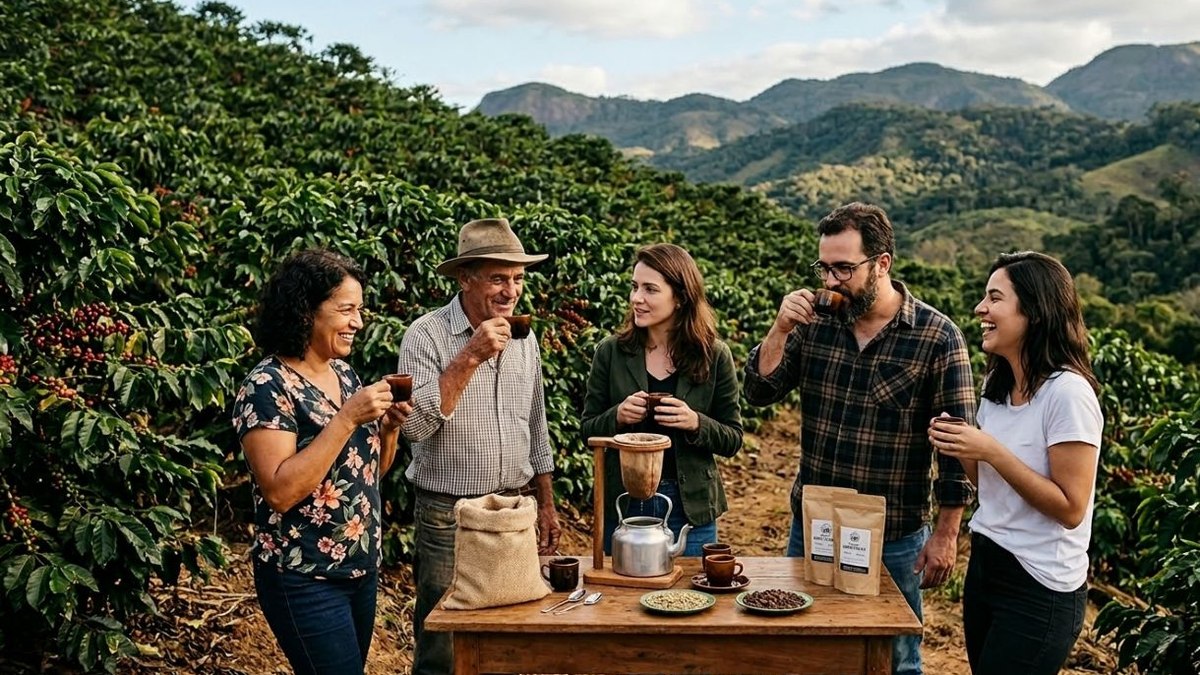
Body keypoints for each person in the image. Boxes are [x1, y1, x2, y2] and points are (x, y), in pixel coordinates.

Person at [743, 202, 976, 675]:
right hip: (813, 525)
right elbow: (759, 390)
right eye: (824, 268)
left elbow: (956, 448)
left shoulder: (936, 337)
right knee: (800, 648)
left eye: (844, 268)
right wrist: (780, 328)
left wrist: (946, 534)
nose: (831, 281)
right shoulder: (816, 326)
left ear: (882, 263)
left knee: (894, 658)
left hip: (892, 535)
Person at [232, 248, 412, 675]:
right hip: (303, 574)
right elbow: (279, 491)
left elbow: (366, 478)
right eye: (347, 309)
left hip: (359, 568)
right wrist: (348, 417)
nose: (358, 322)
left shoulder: (343, 374)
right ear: (305, 312)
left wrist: (388, 430)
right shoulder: (267, 385)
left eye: (360, 310)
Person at [398, 217, 561, 675]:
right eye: (497, 278)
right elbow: (415, 428)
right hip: (448, 514)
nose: (511, 291)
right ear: (465, 278)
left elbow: (536, 422)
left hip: (513, 510)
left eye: (517, 279)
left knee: (511, 630)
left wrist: (545, 503)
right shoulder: (425, 336)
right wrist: (469, 356)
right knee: (443, 644)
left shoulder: (524, 340)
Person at [929, 252, 1102, 675]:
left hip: (1039, 585)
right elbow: (990, 484)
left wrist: (989, 449)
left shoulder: (1068, 395)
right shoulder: (998, 384)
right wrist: (962, 447)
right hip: (989, 564)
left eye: (994, 298)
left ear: (1035, 312)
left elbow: (1070, 508)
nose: (980, 310)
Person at [581, 243, 743, 557]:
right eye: (634, 287)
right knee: (623, 600)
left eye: (650, 289)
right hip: (625, 504)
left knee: (692, 598)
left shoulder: (713, 355)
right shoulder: (611, 352)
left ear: (680, 297)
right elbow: (588, 431)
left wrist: (696, 423)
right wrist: (618, 416)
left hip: (691, 507)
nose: (636, 298)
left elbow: (732, 439)